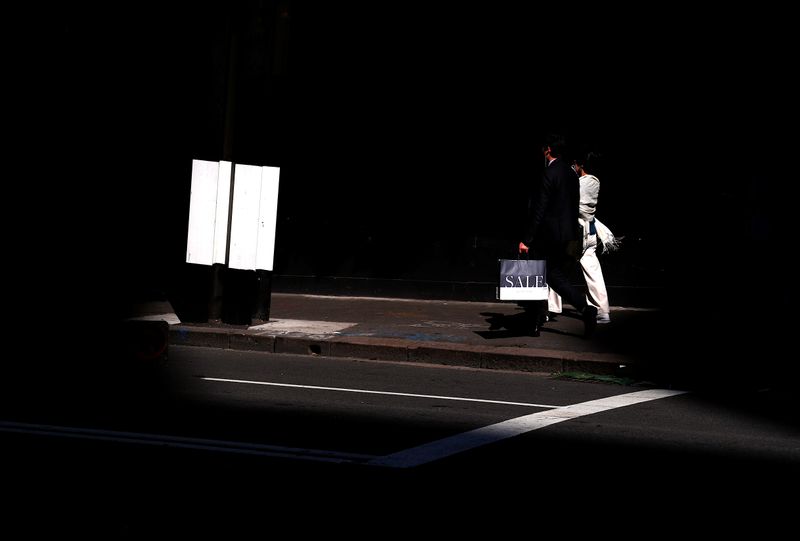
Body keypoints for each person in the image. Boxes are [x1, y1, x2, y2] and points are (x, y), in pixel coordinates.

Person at [519, 134, 598, 338]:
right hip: (566, 236)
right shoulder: (572, 174)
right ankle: (585, 309)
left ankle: (535, 323)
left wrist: (527, 240)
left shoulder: (549, 173)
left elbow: (540, 209)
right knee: (553, 276)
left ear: (547, 150)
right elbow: (573, 206)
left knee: (538, 276)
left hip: (546, 236)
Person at [548, 151, 620, 324]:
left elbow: (568, 202)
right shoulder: (596, 182)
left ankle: (551, 308)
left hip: (576, 233)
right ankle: (602, 311)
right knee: (593, 272)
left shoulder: (582, 182)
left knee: (556, 270)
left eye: (575, 164)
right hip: (591, 232)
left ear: (580, 165)